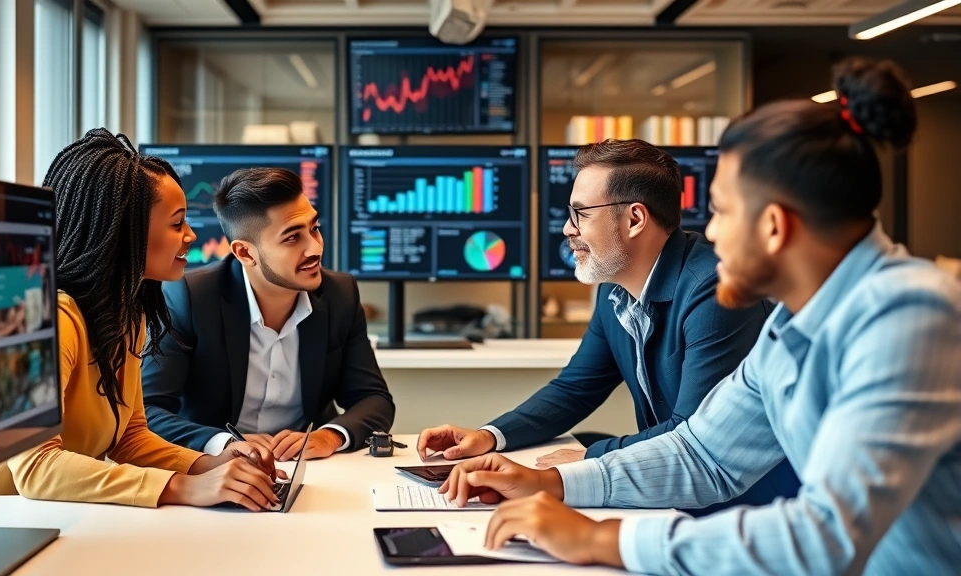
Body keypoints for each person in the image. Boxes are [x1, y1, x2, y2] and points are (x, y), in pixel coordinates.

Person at [439, 58, 961, 574]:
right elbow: (702, 454)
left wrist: (604, 539)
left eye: (723, 212)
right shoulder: (790, 326)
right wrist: (551, 484)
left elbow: (825, 538)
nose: (710, 234)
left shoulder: (909, 316)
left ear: (774, 227)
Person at [418, 138, 798, 513]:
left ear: (635, 219)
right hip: (670, 487)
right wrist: (489, 436)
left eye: (580, 214)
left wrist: (587, 459)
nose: (568, 229)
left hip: (745, 507)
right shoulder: (613, 290)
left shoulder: (713, 289)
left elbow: (694, 436)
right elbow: (576, 388)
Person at [0, 129, 285, 512]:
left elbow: (130, 437)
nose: (190, 236)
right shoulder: (50, 320)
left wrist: (212, 467)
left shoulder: (125, 316)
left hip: (40, 522)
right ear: (125, 231)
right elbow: (36, 467)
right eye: (176, 224)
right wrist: (186, 488)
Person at [142, 167, 394, 461]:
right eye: (292, 238)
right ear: (246, 253)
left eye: (314, 228)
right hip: (219, 469)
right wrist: (224, 443)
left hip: (312, 466)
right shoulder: (190, 296)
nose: (315, 248)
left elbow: (375, 399)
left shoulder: (340, 294)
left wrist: (330, 436)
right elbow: (148, 410)